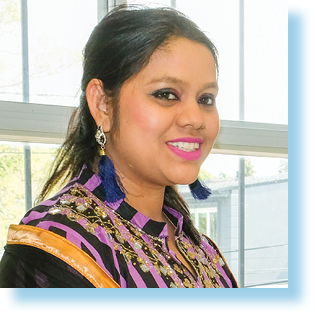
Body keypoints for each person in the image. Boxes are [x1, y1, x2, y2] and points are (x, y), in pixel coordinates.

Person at [0, 4, 237, 288]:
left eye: (205, 99)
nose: (195, 119)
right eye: (166, 94)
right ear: (103, 105)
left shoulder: (201, 250)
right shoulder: (58, 247)